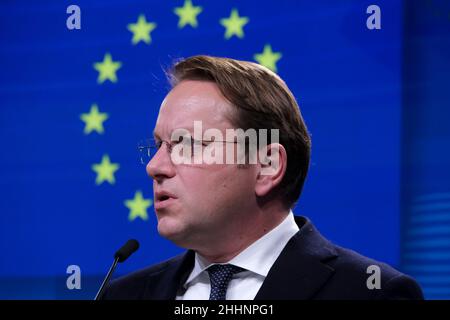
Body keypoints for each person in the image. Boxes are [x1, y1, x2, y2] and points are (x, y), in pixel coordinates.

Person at [102, 55, 423, 300]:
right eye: (158, 146)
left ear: (267, 165)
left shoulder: (370, 293)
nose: (155, 167)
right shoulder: (122, 295)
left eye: (186, 143)